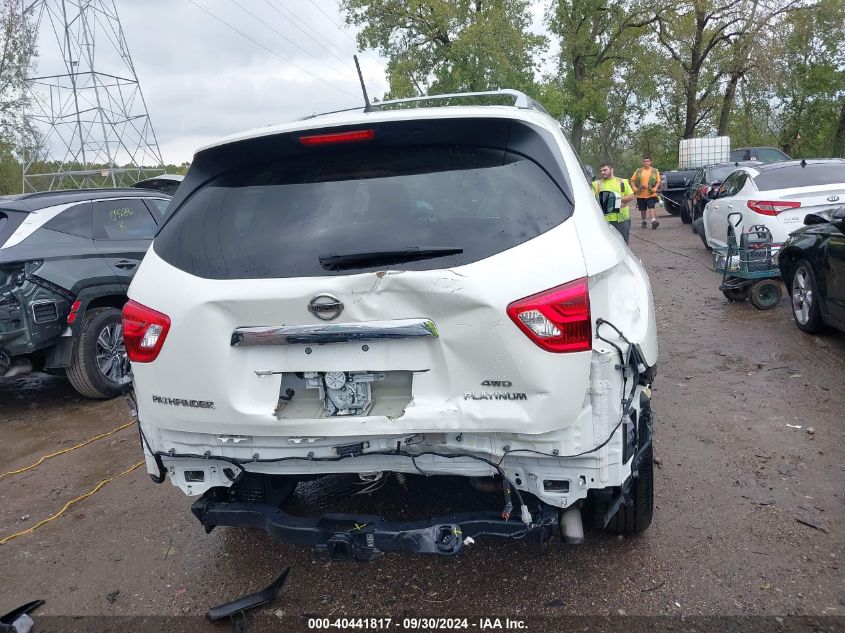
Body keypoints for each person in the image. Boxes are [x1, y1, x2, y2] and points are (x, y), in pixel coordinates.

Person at [592, 161, 635, 243]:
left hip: (622, 219)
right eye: (601, 171)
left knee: (623, 244)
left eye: (605, 170)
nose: (602, 172)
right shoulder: (596, 184)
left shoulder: (622, 182)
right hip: (604, 220)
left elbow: (631, 196)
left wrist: (616, 199)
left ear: (611, 169)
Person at [631, 156, 661, 229]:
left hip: (651, 193)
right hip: (641, 194)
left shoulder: (655, 171)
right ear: (643, 162)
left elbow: (658, 181)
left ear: (650, 162)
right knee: (643, 209)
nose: (646, 162)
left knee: (651, 206)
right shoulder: (638, 171)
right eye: (645, 161)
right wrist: (634, 187)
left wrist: (655, 188)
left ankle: (654, 221)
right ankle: (644, 221)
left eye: (648, 161)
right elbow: (632, 180)